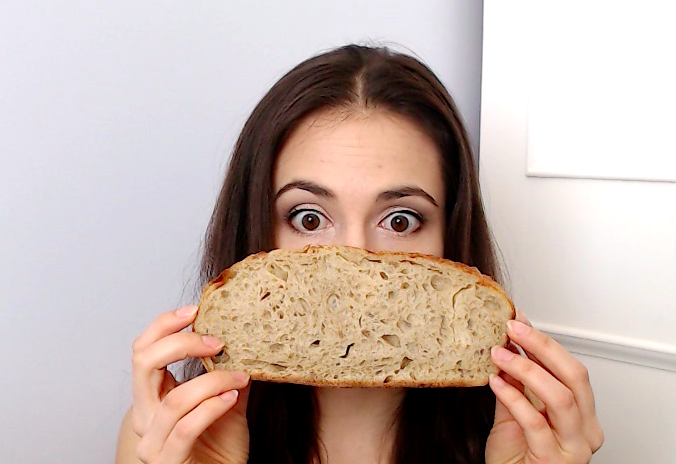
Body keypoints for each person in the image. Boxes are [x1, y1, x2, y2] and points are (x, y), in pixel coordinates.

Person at [115, 44, 604, 464]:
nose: (352, 264)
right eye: (308, 219)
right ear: (255, 234)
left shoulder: (528, 438)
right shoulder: (168, 435)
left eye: (400, 221)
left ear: (451, 243)